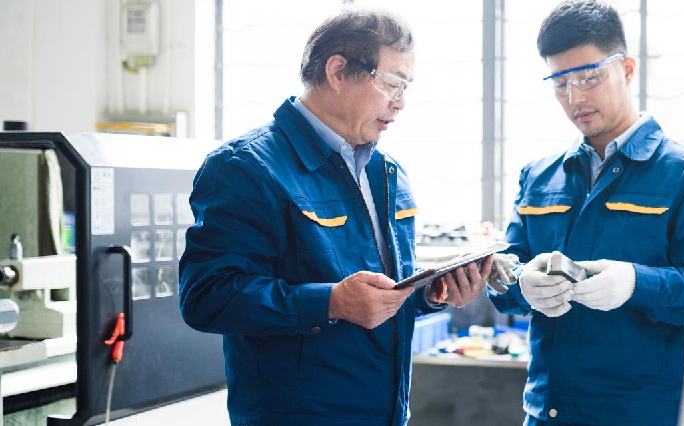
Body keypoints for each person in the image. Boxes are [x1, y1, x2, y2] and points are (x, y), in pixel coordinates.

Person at [178, 8, 493, 425]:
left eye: (406, 87)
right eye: (393, 84)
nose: (400, 104)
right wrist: (330, 303)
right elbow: (207, 298)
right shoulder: (246, 167)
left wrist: (430, 292)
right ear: (339, 71)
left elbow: (380, 298)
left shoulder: (386, 174)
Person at [487, 1, 684, 425]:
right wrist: (522, 284)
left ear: (627, 69)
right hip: (546, 413)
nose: (575, 98)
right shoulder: (538, 177)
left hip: (638, 416)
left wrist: (635, 284)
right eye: (560, 84)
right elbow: (503, 272)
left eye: (589, 78)